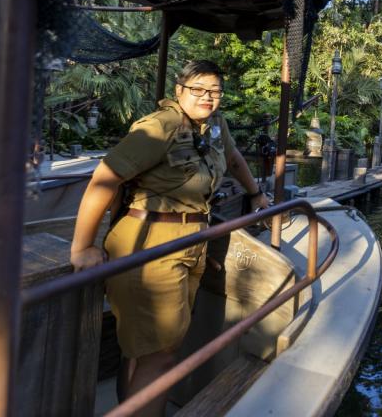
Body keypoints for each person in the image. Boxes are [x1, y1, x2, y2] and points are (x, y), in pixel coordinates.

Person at [69, 60, 269, 416]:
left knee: (151, 350)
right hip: (150, 245)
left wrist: (255, 194)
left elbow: (234, 158)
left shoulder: (214, 126)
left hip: (190, 243)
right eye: (198, 89)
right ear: (179, 91)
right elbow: (104, 178)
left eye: (215, 91)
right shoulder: (160, 127)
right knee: (160, 356)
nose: (207, 97)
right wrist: (83, 246)